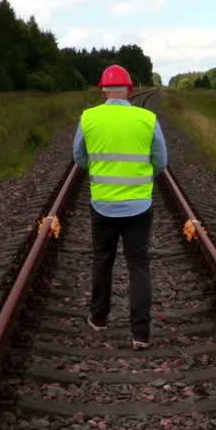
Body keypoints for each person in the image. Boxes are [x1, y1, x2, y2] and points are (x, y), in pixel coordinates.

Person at [73, 64, 168, 350]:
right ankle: (140, 333)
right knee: (139, 265)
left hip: (102, 204)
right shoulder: (147, 118)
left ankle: (99, 317)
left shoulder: (89, 117)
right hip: (139, 205)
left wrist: (101, 169)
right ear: (129, 89)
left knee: (103, 259)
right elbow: (161, 161)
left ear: (102, 89)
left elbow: (79, 158)